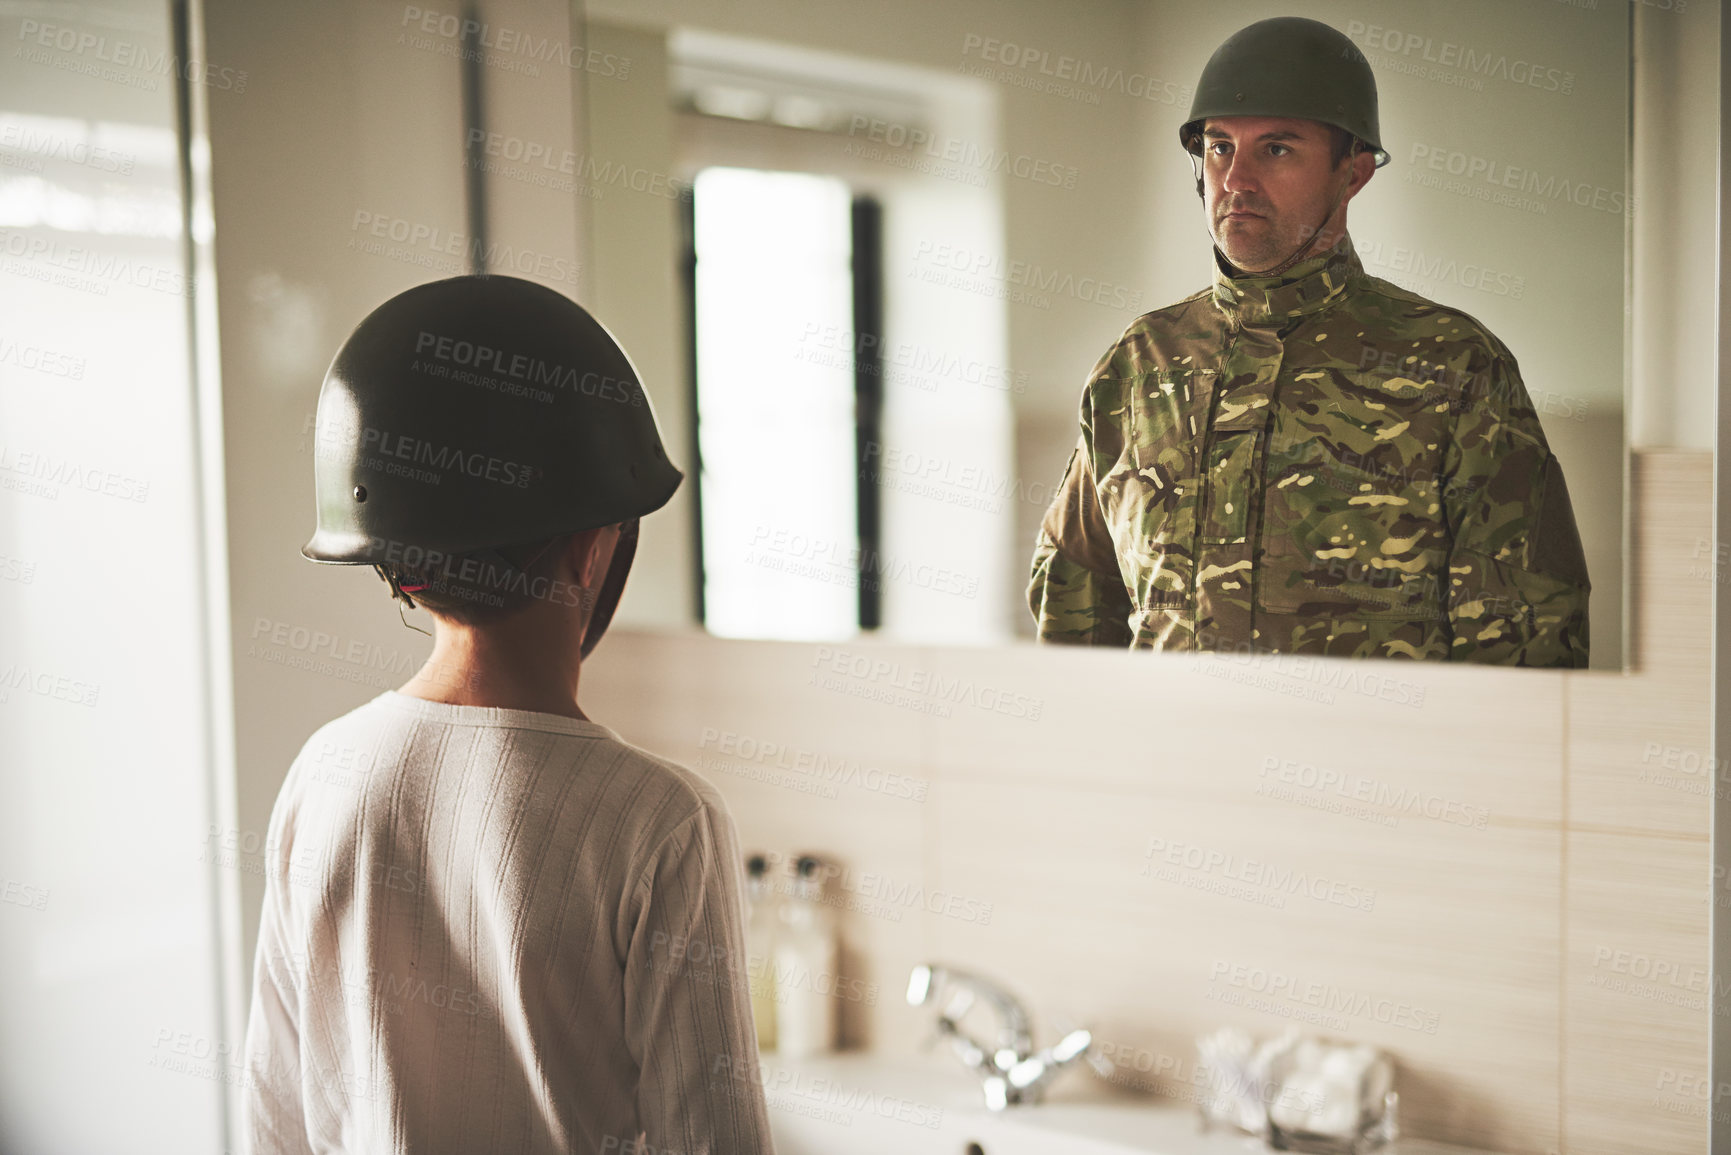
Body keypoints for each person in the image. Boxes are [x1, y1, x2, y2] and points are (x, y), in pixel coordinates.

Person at [242, 275, 774, 1153]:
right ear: (590, 543)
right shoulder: (659, 822)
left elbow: (274, 1119)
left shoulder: (325, 770)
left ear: (394, 562)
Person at [1026, 16, 1590, 666]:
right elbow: (1072, 602)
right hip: (1170, 762)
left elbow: (1532, 642)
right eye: (1217, 148)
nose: (1234, 179)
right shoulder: (1138, 364)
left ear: (1351, 174)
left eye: (1275, 149)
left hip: (1380, 766)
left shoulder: (1454, 366)